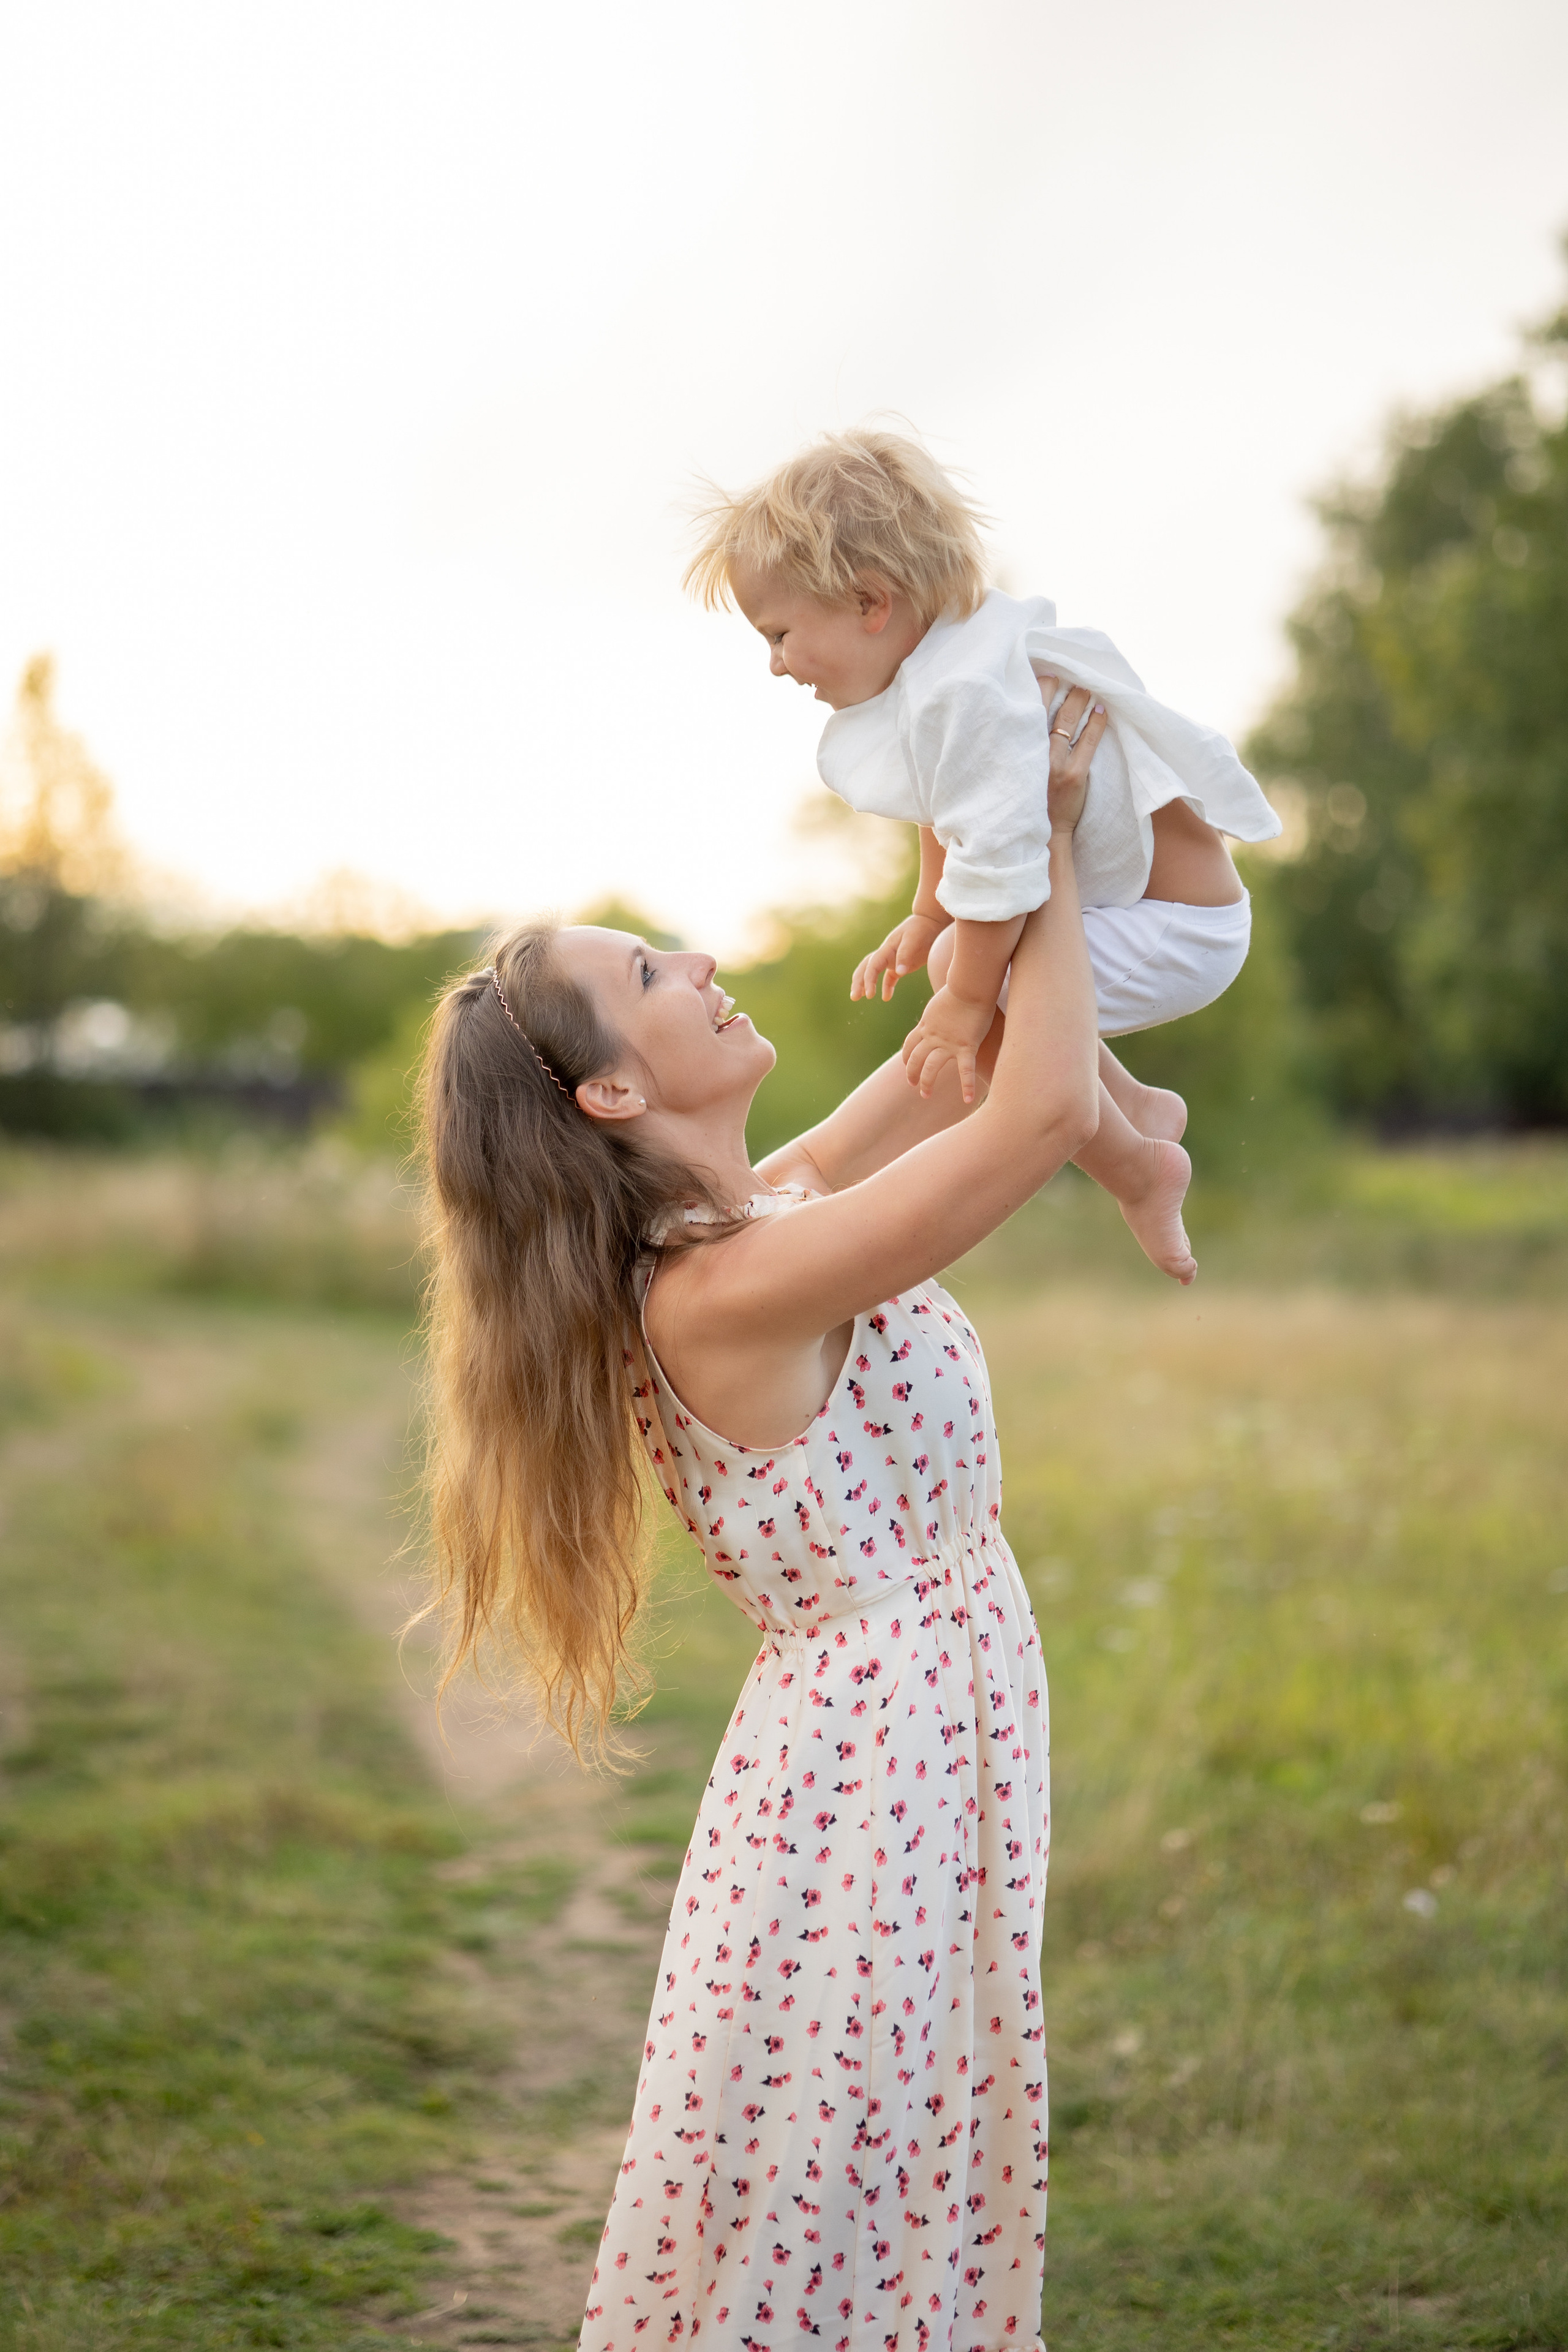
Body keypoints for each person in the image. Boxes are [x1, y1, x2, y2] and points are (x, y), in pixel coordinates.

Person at [415, 691, 1106, 2351]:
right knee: (851, 2173)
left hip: (904, 1734)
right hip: (877, 1764)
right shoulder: (724, 1290)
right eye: (653, 974)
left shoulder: (756, 1212)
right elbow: (1037, 1116)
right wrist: (1059, 848)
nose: (702, 959)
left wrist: (975, 846)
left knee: (887, 2156)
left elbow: (950, 1067)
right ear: (608, 1092)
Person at [685, 428, 1283, 1286]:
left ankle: (1139, 1168)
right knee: (959, 955)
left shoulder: (965, 691)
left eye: (779, 634)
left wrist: (963, 1001)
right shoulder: (953, 659)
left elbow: (1003, 857)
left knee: (972, 981)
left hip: (1176, 932)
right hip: (1155, 915)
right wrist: (928, 910)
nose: (776, 665)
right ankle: (1137, 1109)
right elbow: (951, 807)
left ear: (870, 602)